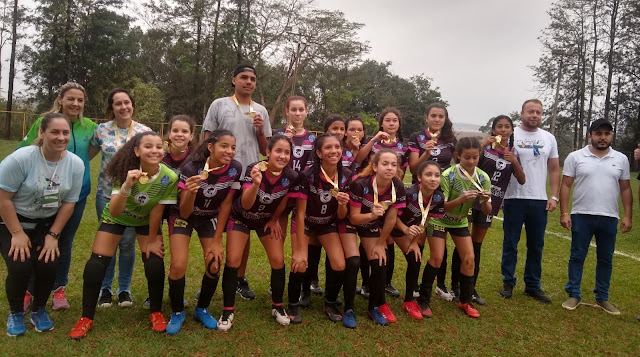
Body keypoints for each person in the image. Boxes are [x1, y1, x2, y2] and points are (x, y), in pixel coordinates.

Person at [69, 132, 178, 340]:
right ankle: (86, 317)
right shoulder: (125, 171)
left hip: (146, 220)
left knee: (154, 261)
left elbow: (157, 210)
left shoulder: (169, 177)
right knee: (96, 264)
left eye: (158, 147)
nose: (154, 150)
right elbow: (115, 211)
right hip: (118, 217)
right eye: (148, 146)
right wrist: (127, 184)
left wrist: (153, 238)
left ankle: (156, 311)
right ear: (137, 151)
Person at [1, 113, 84, 336]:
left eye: (65, 132)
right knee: (20, 266)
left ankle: (39, 309)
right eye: (54, 132)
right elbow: (3, 198)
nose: (61, 137)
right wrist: (17, 233)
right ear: (41, 133)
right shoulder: (20, 159)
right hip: (13, 221)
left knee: (49, 265)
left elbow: (69, 203)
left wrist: (53, 235)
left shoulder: (75, 164)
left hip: (46, 225)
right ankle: (16, 313)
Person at [17, 82, 96, 311]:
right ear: (60, 99)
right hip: (44, 194)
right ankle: (29, 291)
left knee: (65, 243)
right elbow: (25, 151)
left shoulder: (89, 127)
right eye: (71, 98)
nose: (76, 103)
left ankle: (59, 290)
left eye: (80, 100)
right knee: (38, 241)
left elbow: (95, 150)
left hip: (76, 195)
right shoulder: (43, 124)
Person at [201, 64, 272, 300]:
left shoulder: (260, 110)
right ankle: (209, 278)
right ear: (234, 80)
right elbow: (207, 139)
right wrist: (208, 170)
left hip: (248, 175)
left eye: (253, 78)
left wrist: (261, 130)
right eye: (244, 77)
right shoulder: (219, 105)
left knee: (242, 227)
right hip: (221, 174)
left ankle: (240, 278)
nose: (249, 82)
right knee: (214, 227)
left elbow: (266, 150)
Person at [218, 135, 299, 331]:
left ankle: (277, 307)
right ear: (268, 152)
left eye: (287, 152)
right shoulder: (254, 168)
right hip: (241, 218)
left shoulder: (291, 176)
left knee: (278, 260)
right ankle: (227, 310)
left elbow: (283, 201)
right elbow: (245, 203)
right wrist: (255, 184)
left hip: (264, 221)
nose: (282, 156)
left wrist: (273, 219)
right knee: (233, 261)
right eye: (278, 151)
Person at [165, 130, 241, 335]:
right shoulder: (191, 168)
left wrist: (217, 240)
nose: (229, 151)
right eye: (224, 146)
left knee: (214, 263)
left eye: (233, 147)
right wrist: (190, 192)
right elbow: (184, 210)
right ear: (211, 147)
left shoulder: (235, 169)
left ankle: (202, 309)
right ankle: (178, 312)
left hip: (209, 218)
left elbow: (226, 205)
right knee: (179, 264)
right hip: (183, 216)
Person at [559, 119, 632, 314]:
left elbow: (625, 188)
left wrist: (628, 216)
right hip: (582, 215)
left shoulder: (621, 159)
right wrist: (564, 212)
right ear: (590, 135)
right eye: (598, 133)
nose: (603, 137)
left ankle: (602, 297)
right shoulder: (576, 157)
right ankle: (574, 294)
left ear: (611, 136)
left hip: (609, 216)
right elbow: (565, 185)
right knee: (577, 256)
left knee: (606, 259)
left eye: (607, 134)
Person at [89, 88, 153, 308]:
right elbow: (87, 156)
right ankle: (105, 289)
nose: (124, 107)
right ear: (111, 108)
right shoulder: (101, 131)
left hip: (133, 197)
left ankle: (124, 290)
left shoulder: (144, 131)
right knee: (109, 243)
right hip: (106, 194)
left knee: (127, 243)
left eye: (127, 102)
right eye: (118, 103)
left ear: (132, 105)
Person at [287, 134, 357, 328]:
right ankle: (293, 305)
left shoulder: (347, 175)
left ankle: (330, 303)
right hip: (306, 223)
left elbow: (342, 216)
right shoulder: (307, 175)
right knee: (300, 262)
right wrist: (300, 249)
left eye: (337, 147)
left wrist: (343, 204)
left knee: (339, 264)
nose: (334, 151)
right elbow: (299, 213)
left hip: (327, 224)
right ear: (318, 153)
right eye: (328, 148)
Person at [455, 115, 525, 305]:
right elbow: (466, 165)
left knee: (476, 246)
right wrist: (482, 145)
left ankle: (470, 288)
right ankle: (456, 286)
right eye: (499, 127)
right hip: (471, 199)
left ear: (512, 130)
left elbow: (522, 179)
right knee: (463, 242)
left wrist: (515, 162)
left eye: (507, 127)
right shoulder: (484, 148)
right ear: (494, 130)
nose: (503, 130)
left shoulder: (514, 153)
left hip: (490, 203)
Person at [422, 137, 491, 318]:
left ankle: (465, 301)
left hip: (460, 221)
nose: (470, 161)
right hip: (440, 219)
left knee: (469, 258)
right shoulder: (448, 175)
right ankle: (423, 300)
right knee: (437, 258)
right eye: (466, 157)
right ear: (458, 156)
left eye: (474, 157)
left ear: (479, 156)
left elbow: (487, 209)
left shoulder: (483, 177)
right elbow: (441, 206)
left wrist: (485, 200)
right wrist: (460, 200)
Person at [500, 99, 560, 303]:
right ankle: (508, 282)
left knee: (536, 245)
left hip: (538, 199)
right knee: (511, 243)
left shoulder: (549, 138)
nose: (534, 115)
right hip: (513, 197)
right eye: (530, 111)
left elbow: (553, 168)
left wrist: (553, 195)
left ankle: (532, 286)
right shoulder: (511, 135)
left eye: (538, 112)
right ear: (522, 113)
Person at [142, 115, 196, 310]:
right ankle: (153, 294)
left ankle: (176, 294)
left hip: (179, 210)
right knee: (154, 251)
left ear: (191, 135)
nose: (179, 135)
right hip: (156, 206)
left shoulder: (196, 158)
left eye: (184, 131)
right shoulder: (159, 154)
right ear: (169, 134)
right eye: (175, 131)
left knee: (177, 256)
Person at [355, 107, 409, 299]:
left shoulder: (403, 146)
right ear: (382, 123)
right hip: (370, 192)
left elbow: (404, 169)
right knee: (367, 234)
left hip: (391, 193)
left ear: (399, 124)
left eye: (395, 120)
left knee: (388, 238)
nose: (391, 123)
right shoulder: (374, 141)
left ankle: (385, 282)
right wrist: (373, 140)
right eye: (388, 120)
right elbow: (359, 159)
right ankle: (365, 283)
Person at [349, 149, 406, 325]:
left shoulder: (397, 186)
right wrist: (372, 216)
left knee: (380, 260)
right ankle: (347, 307)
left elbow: (391, 218)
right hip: (351, 223)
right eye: (385, 164)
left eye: (393, 165)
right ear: (374, 166)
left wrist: (381, 243)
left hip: (371, 226)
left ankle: (374, 306)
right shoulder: (360, 183)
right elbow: (353, 218)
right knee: (352, 262)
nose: (390, 168)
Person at [407, 103, 456, 301]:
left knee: (439, 242)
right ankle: (414, 286)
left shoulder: (450, 140)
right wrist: (426, 153)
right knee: (419, 239)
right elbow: (412, 169)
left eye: (441, 116)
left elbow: (456, 164)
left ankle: (440, 285)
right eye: (433, 116)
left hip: (440, 196)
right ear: (426, 117)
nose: (437, 119)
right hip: (420, 195)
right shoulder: (417, 137)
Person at [392, 160, 444, 319]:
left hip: (406, 231)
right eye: (428, 175)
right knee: (382, 260)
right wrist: (405, 230)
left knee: (415, 258)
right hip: (391, 227)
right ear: (419, 177)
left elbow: (425, 220)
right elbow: (391, 217)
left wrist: (414, 242)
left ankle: (408, 300)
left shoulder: (438, 197)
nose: (433, 179)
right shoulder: (408, 193)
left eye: (437, 175)